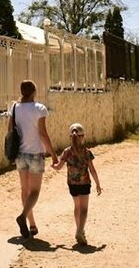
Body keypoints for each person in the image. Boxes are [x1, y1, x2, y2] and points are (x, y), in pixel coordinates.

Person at [9, 79, 58, 239]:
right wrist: (53, 154)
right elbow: (42, 134)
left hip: (20, 154)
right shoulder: (39, 108)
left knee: (25, 190)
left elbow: (10, 131)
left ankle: (32, 225)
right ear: (34, 91)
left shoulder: (14, 108)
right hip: (36, 153)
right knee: (35, 191)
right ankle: (23, 217)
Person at [53, 122, 102, 246]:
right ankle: (80, 230)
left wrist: (53, 164)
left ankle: (79, 229)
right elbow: (92, 170)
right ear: (83, 136)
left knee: (77, 207)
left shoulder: (66, 152)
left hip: (72, 184)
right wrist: (97, 183)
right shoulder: (86, 152)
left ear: (71, 137)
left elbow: (58, 167)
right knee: (84, 208)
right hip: (85, 183)